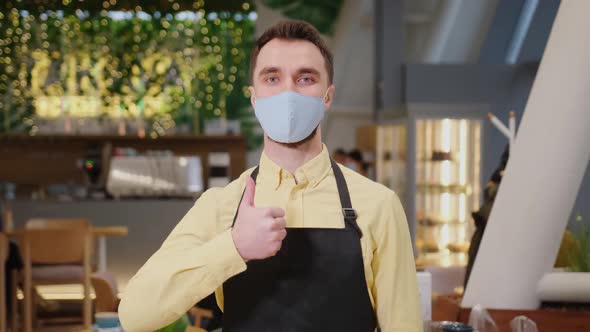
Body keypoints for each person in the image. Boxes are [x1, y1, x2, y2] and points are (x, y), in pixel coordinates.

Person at [119, 20, 422, 332]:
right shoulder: (221, 206)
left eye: (305, 78)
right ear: (254, 97)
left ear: (327, 97)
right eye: (272, 78)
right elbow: (135, 315)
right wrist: (233, 246)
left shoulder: (379, 206)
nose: (288, 93)